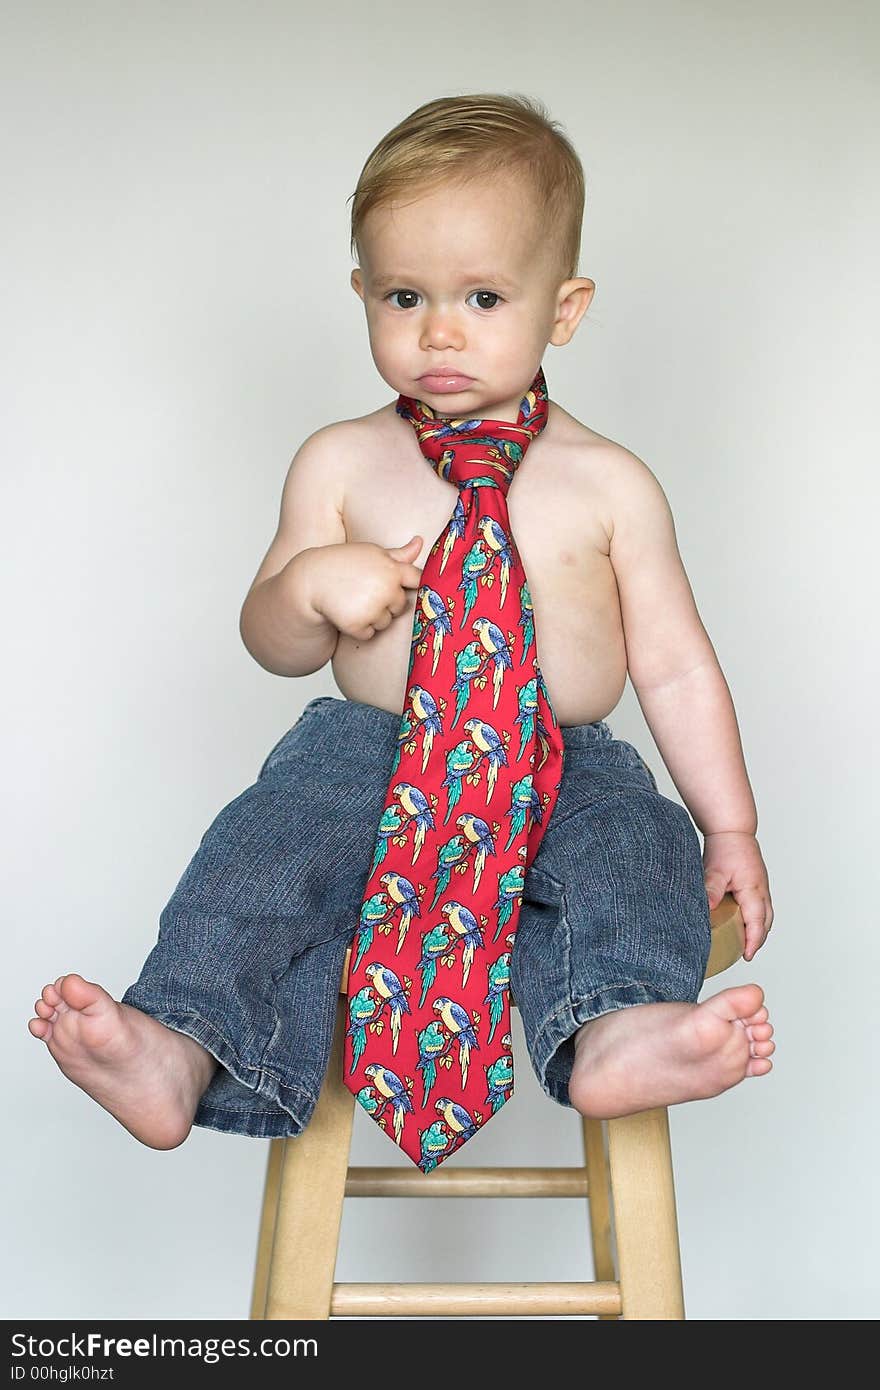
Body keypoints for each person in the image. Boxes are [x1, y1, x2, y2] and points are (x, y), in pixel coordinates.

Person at [28, 92, 775, 1151]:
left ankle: (616, 1027)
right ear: (360, 294)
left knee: (633, 855)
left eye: (481, 296)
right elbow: (273, 644)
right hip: (365, 755)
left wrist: (730, 825)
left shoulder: (610, 484)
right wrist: (307, 590)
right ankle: (180, 1041)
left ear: (563, 309)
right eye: (402, 294)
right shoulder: (339, 461)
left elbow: (675, 665)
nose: (437, 331)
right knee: (257, 860)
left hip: (565, 764)